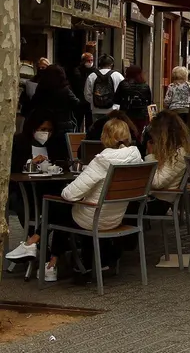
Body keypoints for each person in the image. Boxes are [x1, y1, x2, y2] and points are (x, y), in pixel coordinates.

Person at [35, 118, 144, 281]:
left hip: (93, 219)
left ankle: (42, 252)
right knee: (66, 210)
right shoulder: (136, 159)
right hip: (116, 217)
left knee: (56, 206)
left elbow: (69, 194)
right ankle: (73, 262)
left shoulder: (101, 161)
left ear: (104, 137)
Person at [4, 114, 73, 263]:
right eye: (42, 129)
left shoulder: (55, 144)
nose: (46, 133)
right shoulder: (20, 142)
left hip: (49, 189)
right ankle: (39, 246)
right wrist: (31, 163)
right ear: (33, 128)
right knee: (23, 204)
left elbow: (63, 164)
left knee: (60, 205)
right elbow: (12, 167)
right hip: (25, 190)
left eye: (49, 130)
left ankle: (35, 245)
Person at [141, 110, 190, 216]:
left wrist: (150, 156)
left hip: (159, 202)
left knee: (120, 206)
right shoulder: (170, 151)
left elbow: (157, 182)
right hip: (154, 198)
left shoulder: (178, 155)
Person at [27, 64, 80, 135]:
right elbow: (76, 103)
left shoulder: (41, 88)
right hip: (64, 125)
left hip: (45, 124)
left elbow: (34, 103)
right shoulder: (65, 90)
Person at [84, 54, 124, 122]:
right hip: (113, 110)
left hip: (96, 110)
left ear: (99, 64)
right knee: (111, 131)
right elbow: (123, 93)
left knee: (98, 131)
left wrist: (95, 101)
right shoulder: (118, 76)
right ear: (111, 64)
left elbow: (87, 94)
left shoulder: (92, 76)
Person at [116, 65, 153, 135]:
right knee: (140, 134)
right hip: (141, 115)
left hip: (126, 115)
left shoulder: (123, 84)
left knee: (126, 133)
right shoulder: (145, 86)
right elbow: (149, 101)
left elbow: (116, 99)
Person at [71, 52, 95, 132]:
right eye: (88, 60)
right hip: (80, 100)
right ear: (83, 61)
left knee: (90, 123)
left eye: (91, 60)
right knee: (78, 121)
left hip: (89, 101)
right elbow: (78, 83)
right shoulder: (77, 71)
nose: (90, 62)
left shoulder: (94, 71)